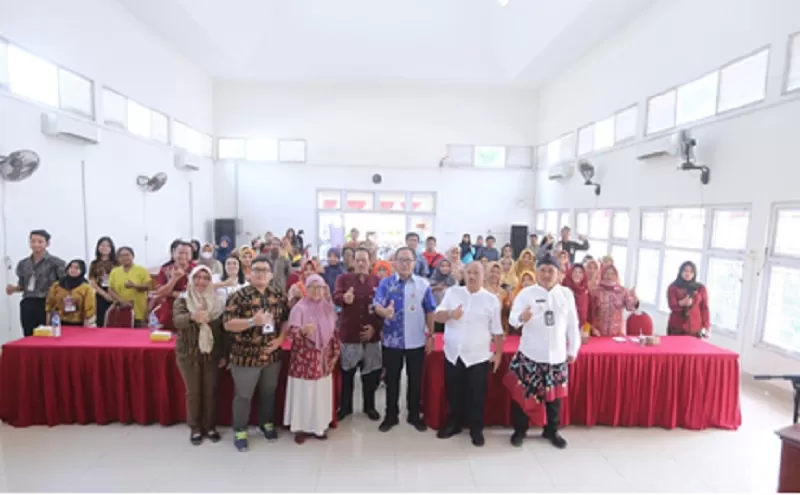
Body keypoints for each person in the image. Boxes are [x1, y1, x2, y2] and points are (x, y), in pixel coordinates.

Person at [507, 255, 581, 449]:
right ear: (536, 271)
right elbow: (513, 320)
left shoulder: (566, 294)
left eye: (551, 271)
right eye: (543, 270)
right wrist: (522, 317)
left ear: (558, 274)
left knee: (554, 398)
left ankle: (552, 431)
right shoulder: (526, 293)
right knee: (523, 395)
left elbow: (573, 324)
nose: (546, 275)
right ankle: (520, 430)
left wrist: (573, 348)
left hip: (556, 356)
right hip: (530, 354)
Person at [223, 255, 289, 452]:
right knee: (243, 395)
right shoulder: (238, 296)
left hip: (271, 355)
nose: (260, 274)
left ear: (271, 275)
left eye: (264, 270)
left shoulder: (278, 295)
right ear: (249, 273)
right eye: (256, 270)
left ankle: (266, 423)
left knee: (268, 392)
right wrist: (252, 322)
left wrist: (279, 340)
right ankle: (240, 430)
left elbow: (285, 320)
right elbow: (228, 324)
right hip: (245, 356)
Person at [434, 262, 504, 447]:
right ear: (464, 274)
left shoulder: (491, 299)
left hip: (478, 356)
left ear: (484, 276)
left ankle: (476, 429)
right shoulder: (453, 293)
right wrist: (450, 314)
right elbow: (437, 316)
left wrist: (498, 354)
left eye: (476, 273)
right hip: (453, 354)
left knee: (477, 395)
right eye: (469, 272)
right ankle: (454, 424)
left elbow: (497, 330)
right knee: (454, 392)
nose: (472, 276)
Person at [373, 246, 436, 432]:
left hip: (416, 341)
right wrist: (384, 312)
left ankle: (414, 414)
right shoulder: (386, 284)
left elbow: (430, 310)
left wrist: (431, 335)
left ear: (414, 263)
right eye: (401, 260)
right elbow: (376, 305)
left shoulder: (423, 285)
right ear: (395, 263)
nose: (405, 264)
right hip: (392, 342)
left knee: (415, 380)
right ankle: (391, 415)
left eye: (409, 260)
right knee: (392, 380)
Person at [173, 265, 228, 446]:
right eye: (198, 277)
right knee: (193, 392)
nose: (201, 281)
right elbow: (177, 322)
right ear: (191, 279)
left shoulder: (218, 303)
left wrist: (224, 354)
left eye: (206, 278)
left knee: (210, 392)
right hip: (188, 354)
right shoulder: (183, 300)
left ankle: (210, 426)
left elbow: (222, 331)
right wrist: (192, 317)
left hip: (211, 354)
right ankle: (195, 427)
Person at [284, 274, 341, 443]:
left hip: (324, 358)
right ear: (306, 289)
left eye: (320, 288)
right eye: (313, 287)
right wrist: (303, 331)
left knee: (320, 392)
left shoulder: (328, 308)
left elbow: (334, 333)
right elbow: (291, 333)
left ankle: (319, 426)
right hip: (304, 359)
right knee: (304, 393)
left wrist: (335, 354)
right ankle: (301, 428)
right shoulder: (299, 308)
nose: (317, 291)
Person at [333, 248, 383, 421]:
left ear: (370, 262)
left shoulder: (377, 280)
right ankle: (345, 407)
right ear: (352, 262)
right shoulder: (343, 279)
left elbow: (382, 307)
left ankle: (369, 406)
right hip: (350, 335)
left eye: (364, 260)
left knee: (370, 375)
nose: (361, 263)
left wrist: (375, 328)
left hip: (372, 336)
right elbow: (336, 296)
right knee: (347, 374)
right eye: (358, 260)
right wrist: (343, 298)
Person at [6, 230, 66, 336]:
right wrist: (14, 289)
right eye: (33, 241)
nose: (36, 244)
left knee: (47, 334)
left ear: (47, 244)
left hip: (47, 303)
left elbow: (63, 284)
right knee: (28, 333)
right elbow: (23, 285)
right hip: (28, 302)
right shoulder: (23, 264)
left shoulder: (57, 263)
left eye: (40, 241)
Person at [107, 247, 152, 327]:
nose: (124, 258)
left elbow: (148, 286)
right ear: (118, 258)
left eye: (127, 255)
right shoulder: (114, 272)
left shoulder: (141, 270)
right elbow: (110, 289)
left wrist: (134, 286)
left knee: (138, 335)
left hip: (138, 310)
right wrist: (122, 301)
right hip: (120, 310)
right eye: (121, 256)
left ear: (133, 256)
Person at [588, 264, 638, 337]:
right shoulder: (595, 291)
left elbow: (630, 307)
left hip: (617, 334)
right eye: (607, 273)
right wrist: (592, 328)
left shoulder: (622, 291)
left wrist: (635, 299)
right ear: (602, 274)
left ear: (616, 276)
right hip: (598, 333)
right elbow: (589, 312)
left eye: (612, 274)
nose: (609, 276)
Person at [155, 241, 194, 331]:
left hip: (190, 312)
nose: (183, 256)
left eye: (187, 253)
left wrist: (174, 293)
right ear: (173, 253)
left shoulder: (196, 269)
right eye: (180, 253)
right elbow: (160, 293)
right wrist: (174, 279)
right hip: (169, 313)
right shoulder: (165, 270)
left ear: (191, 255)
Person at [45, 259, 96, 327]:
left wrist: (86, 324)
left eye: (77, 268)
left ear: (82, 271)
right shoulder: (57, 285)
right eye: (71, 267)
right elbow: (50, 304)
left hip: (78, 323)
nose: (73, 270)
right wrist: (48, 324)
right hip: (59, 322)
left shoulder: (86, 288)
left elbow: (89, 308)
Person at [667, 261, 710, 337]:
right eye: (685, 271)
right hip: (677, 327)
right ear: (681, 271)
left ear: (694, 274)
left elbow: (704, 308)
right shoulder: (673, 287)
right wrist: (682, 303)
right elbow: (672, 305)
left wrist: (707, 327)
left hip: (695, 329)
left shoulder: (700, 288)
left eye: (691, 272)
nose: (688, 274)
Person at [88, 236, 117, 327]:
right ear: (98, 247)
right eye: (102, 245)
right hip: (100, 293)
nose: (105, 248)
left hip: (116, 293)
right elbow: (92, 281)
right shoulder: (94, 263)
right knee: (101, 320)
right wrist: (104, 294)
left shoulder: (117, 262)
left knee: (115, 319)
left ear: (111, 248)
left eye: (108, 246)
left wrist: (113, 295)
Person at [484, 262, 512, 334]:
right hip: (483, 328)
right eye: (492, 271)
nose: (495, 275)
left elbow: (506, 312)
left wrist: (509, 299)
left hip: (499, 330)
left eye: (498, 272)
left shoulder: (503, 292)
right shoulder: (481, 290)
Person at [430, 260, 457, 333]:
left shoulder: (453, 281)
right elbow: (426, 294)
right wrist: (435, 288)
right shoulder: (433, 280)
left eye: (447, 266)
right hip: (435, 312)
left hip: (449, 313)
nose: (445, 268)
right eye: (442, 266)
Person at [563, 264, 590, 332]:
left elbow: (589, 312)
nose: (577, 274)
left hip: (580, 330)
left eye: (580, 272)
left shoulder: (585, 290)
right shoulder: (563, 289)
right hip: (565, 329)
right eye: (574, 272)